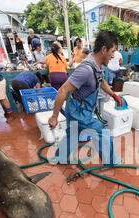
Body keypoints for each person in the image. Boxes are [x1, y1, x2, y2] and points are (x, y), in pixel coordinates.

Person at [47, 30, 124, 167]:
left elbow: (101, 81)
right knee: (102, 132)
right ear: (104, 49)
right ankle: (110, 161)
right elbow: (62, 90)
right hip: (79, 112)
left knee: (73, 133)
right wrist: (54, 116)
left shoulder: (97, 66)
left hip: (77, 107)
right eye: (112, 51)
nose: (113, 56)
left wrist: (113, 94)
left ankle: (60, 157)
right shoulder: (86, 70)